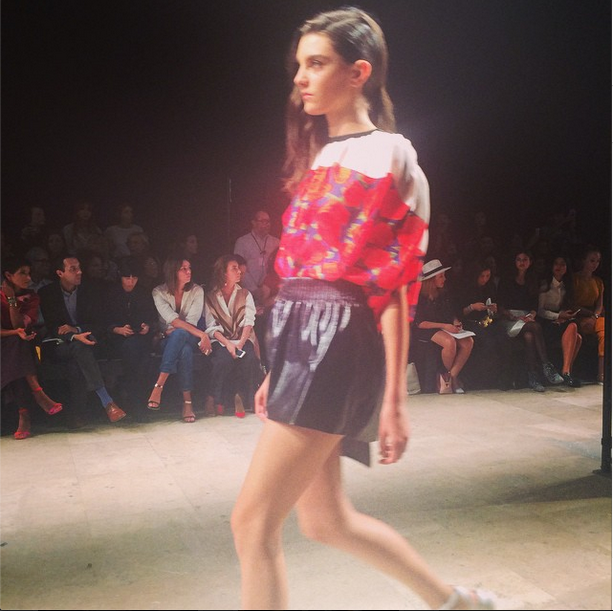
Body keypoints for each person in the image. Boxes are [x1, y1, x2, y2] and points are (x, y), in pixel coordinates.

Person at [230, 8, 495, 611]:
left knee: (251, 522)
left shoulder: (392, 156)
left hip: (338, 339)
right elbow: (300, 281)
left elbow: (396, 288)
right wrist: (277, 369)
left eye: (316, 63)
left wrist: (395, 399)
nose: (300, 77)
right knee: (326, 521)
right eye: (299, 65)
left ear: (359, 73)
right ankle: (458, 603)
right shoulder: (319, 160)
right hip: (302, 337)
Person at [38, 256, 127, 426]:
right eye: (73, 269)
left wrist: (77, 330)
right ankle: (106, 401)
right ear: (60, 273)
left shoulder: (90, 291)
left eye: (79, 268)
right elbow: (53, 327)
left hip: (87, 339)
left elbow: (99, 323)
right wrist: (72, 336)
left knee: (76, 363)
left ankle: (78, 414)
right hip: (60, 343)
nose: (79, 272)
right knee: (78, 348)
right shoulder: (47, 293)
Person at [1, 257, 63, 439]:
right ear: (8, 275)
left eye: (29, 273)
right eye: (23, 273)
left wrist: (12, 300)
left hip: (22, 346)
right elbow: (14, 330)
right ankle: (38, 394)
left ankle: (24, 413)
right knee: (16, 344)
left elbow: (20, 325)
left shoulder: (32, 297)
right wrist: (14, 332)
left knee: (18, 346)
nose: (28, 278)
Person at [148, 256, 212, 423]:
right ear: (172, 271)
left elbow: (191, 322)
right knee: (184, 351)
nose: (188, 271)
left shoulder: (197, 290)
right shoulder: (158, 292)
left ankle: (159, 386)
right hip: (166, 340)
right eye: (183, 268)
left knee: (181, 334)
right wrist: (202, 334)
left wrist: (188, 331)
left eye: (189, 268)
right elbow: (171, 319)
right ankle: (187, 403)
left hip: (187, 336)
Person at [202, 255, 260, 418]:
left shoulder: (245, 294)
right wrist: (228, 344)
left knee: (249, 358)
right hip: (221, 340)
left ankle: (245, 397)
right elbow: (211, 327)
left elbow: (249, 321)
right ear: (224, 273)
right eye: (234, 268)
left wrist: (240, 344)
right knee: (223, 360)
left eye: (238, 268)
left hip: (242, 338)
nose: (239, 271)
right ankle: (213, 398)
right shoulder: (211, 297)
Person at [498, 250, 563, 392]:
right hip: (509, 318)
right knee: (534, 328)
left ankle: (533, 377)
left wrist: (531, 315)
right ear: (514, 262)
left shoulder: (533, 280)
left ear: (530, 262)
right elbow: (500, 306)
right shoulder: (506, 279)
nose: (522, 262)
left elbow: (534, 306)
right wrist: (513, 317)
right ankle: (546, 366)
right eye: (519, 259)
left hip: (526, 319)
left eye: (525, 259)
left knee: (529, 336)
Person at [104, 256, 157, 418]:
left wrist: (147, 327)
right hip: (115, 340)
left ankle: (135, 400)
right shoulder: (111, 293)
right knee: (136, 353)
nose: (131, 281)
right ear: (120, 276)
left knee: (143, 357)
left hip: (140, 339)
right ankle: (136, 401)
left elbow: (152, 318)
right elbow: (101, 320)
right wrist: (117, 329)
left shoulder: (143, 293)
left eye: (134, 278)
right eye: (127, 277)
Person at [414, 259, 474, 394]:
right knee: (449, 342)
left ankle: (450, 377)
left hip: (444, 326)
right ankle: (449, 379)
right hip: (426, 329)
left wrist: (455, 321)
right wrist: (445, 326)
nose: (444, 279)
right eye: (441, 276)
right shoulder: (420, 297)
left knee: (468, 341)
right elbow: (420, 323)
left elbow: (450, 313)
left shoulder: (443, 293)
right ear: (431, 280)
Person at [537, 255, 583, 387]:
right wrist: (557, 316)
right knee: (575, 330)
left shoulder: (566, 286)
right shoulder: (545, 285)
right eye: (556, 263)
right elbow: (540, 311)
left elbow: (565, 307)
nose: (559, 267)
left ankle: (566, 371)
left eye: (563, 264)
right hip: (545, 323)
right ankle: (566, 372)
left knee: (577, 336)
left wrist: (564, 316)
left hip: (560, 322)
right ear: (551, 266)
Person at [573, 245, 605, 384]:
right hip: (578, 315)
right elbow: (572, 304)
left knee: (605, 331)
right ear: (584, 260)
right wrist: (589, 314)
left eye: (597, 261)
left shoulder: (598, 281)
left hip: (594, 315)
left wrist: (595, 315)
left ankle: (601, 373)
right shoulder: (575, 279)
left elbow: (599, 305)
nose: (595, 264)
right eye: (592, 260)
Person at [233, 210, 280, 294]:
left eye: (268, 221)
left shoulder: (276, 243)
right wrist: (254, 290)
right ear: (253, 223)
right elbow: (239, 268)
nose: (267, 224)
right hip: (248, 291)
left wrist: (267, 288)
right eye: (263, 221)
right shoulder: (242, 242)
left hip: (270, 291)